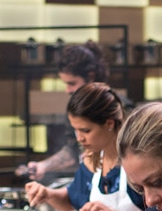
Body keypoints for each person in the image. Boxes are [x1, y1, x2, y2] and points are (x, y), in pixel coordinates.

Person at [25, 83, 144, 211]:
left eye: (85, 130)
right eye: (76, 130)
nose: (79, 138)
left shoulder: (140, 161)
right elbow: (71, 200)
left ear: (109, 123)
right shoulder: (92, 162)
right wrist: (48, 194)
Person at [16, 41, 110, 182]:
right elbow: (72, 151)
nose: (68, 90)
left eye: (72, 83)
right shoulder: (75, 110)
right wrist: (43, 166)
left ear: (90, 76)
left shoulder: (116, 108)